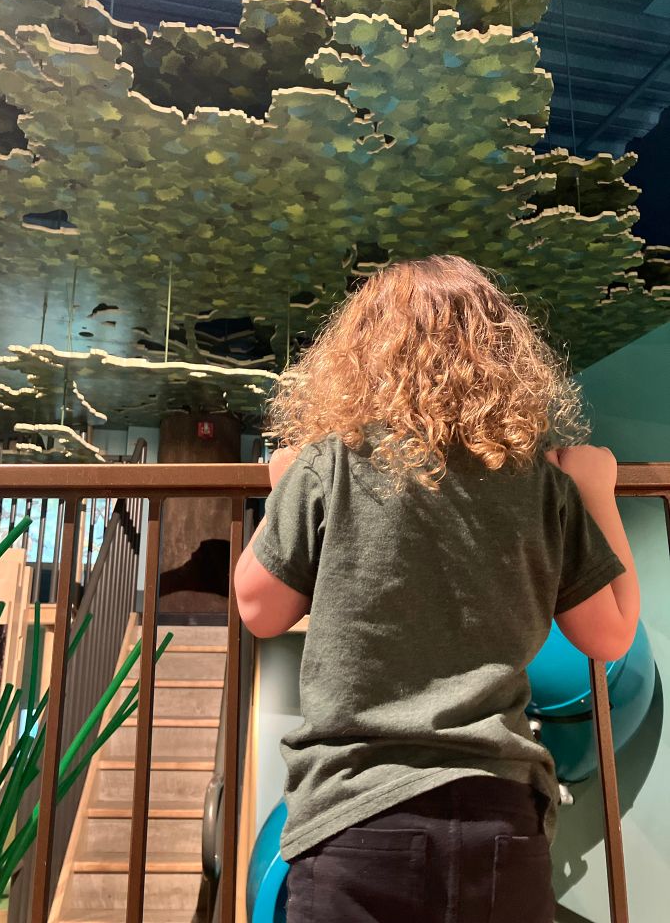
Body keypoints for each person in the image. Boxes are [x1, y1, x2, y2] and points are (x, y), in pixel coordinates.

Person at [234, 255, 640, 923]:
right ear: (504, 358)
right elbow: (611, 633)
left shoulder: (331, 463)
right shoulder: (540, 485)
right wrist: (596, 493)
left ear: (360, 356)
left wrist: (286, 490)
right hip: (498, 817)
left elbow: (259, 607)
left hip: (354, 817)